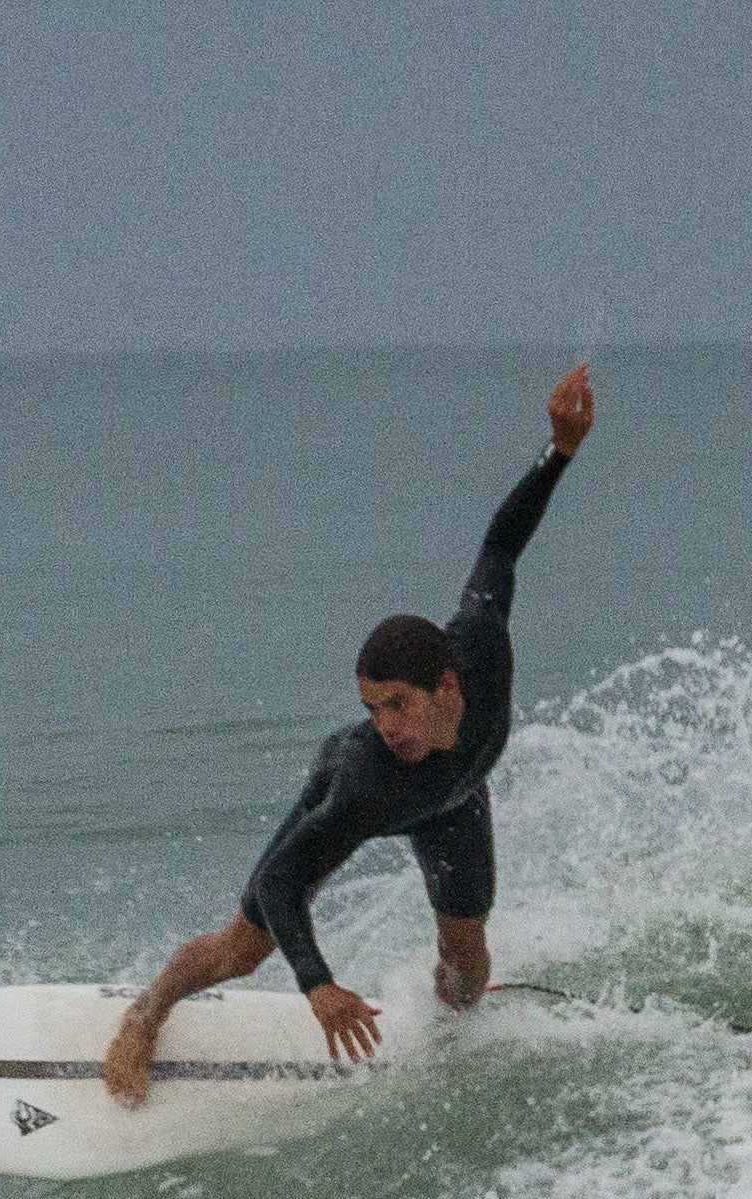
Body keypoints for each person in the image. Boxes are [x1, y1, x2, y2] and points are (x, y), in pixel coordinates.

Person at [102, 362, 595, 1107]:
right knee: (243, 948)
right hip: (376, 799)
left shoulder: (480, 645)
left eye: (398, 705)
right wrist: (318, 984)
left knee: (465, 969)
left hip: (455, 799)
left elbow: (500, 545)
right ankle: (145, 1014)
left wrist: (557, 452)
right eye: (371, 708)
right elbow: (281, 881)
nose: (385, 725)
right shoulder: (366, 775)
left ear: (447, 686)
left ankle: (440, 1033)